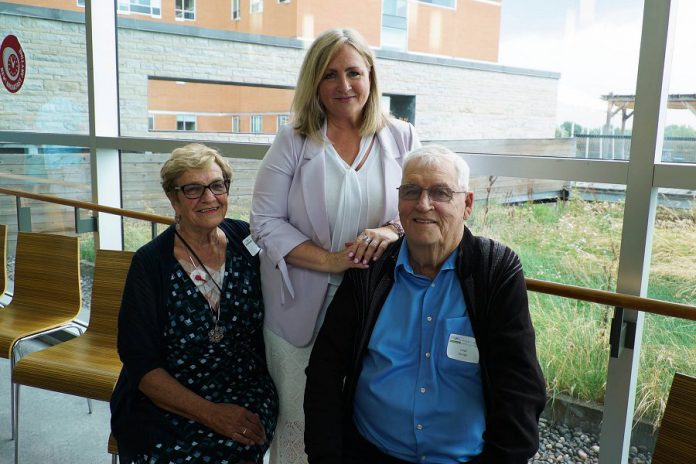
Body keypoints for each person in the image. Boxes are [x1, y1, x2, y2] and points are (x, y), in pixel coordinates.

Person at [304, 145, 547, 464]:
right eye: (411, 190)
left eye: (441, 193)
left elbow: (520, 388)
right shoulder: (371, 269)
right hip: (369, 450)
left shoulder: (494, 271)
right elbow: (326, 367)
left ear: (467, 204)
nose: (423, 204)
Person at [250, 28, 420, 463]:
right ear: (315, 83)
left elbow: (423, 206)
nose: (344, 86)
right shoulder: (293, 139)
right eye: (330, 75)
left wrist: (391, 231)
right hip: (299, 307)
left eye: (353, 72)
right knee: (300, 423)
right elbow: (264, 221)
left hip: (374, 305)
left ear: (371, 77)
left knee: (364, 417)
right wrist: (328, 261)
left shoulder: (401, 138)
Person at [111, 143, 278, 464]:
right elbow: (140, 363)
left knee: (236, 447)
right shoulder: (150, 263)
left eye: (217, 185)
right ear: (173, 198)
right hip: (168, 395)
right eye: (193, 189)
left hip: (244, 386)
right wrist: (212, 414)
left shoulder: (246, 240)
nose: (209, 198)